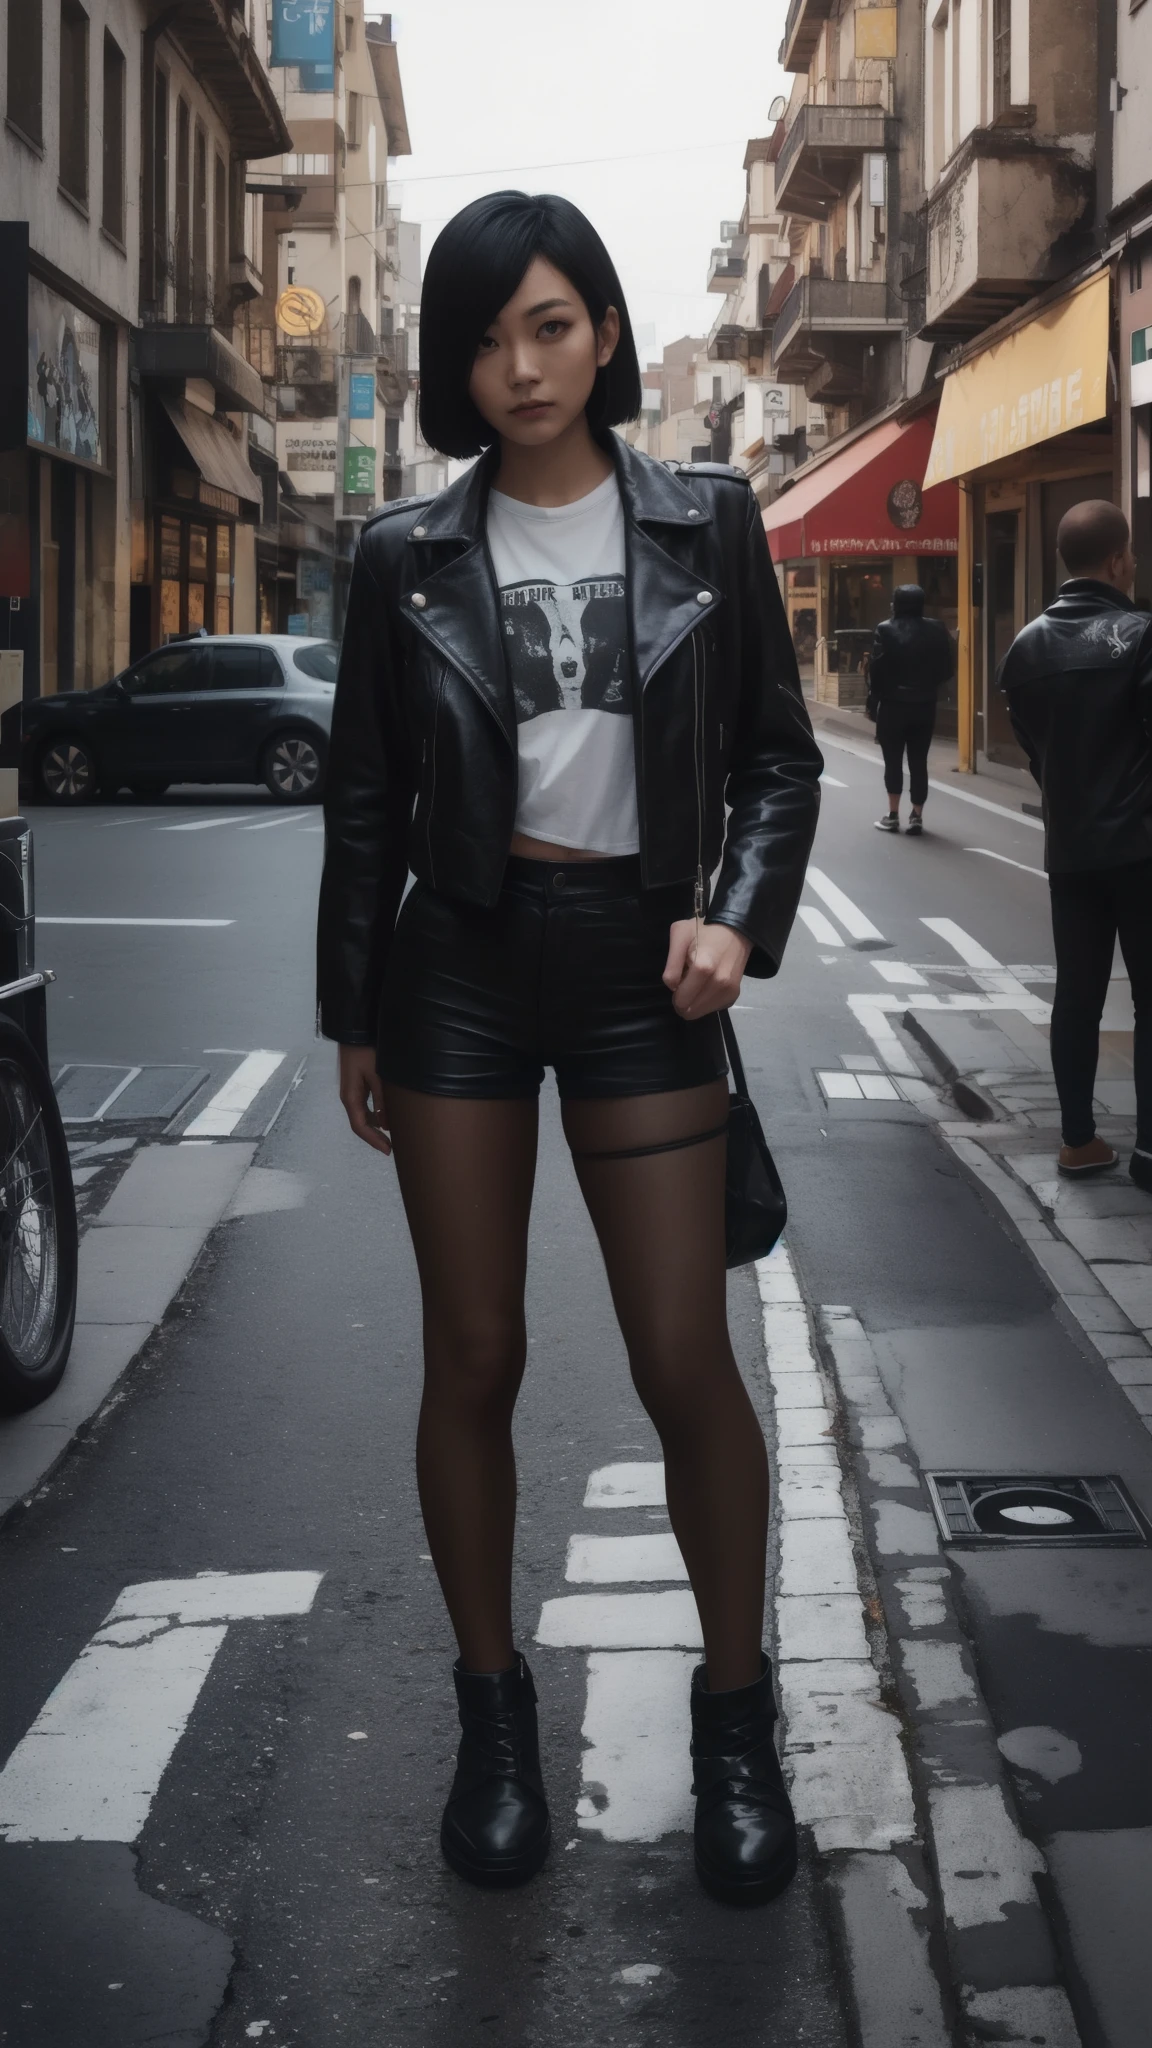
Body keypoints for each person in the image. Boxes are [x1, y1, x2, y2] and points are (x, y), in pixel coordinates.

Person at [317, 191, 822, 1903]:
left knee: (686, 1361)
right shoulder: (403, 552)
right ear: (454, 365)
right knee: (473, 1354)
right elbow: (367, 795)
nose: (517, 364)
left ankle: (736, 1715)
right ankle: (491, 1710)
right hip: (453, 962)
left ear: (603, 331)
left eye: (546, 324)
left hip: (642, 965)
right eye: (481, 335)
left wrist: (734, 912)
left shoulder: (708, 519)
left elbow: (774, 756)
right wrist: (350, 1009)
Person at [998, 499, 1152, 1187]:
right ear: (1119, 559)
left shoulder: (1026, 648)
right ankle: (1148, 1152)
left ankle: (1077, 1141)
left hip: (1071, 849)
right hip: (1143, 848)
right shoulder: (1141, 634)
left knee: (1078, 996)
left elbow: (1035, 748)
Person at [867, 584, 955, 834]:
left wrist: (874, 702)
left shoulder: (885, 629)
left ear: (896, 603)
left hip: (892, 706)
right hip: (924, 705)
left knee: (892, 761)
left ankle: (892, 814)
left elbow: (876, 670)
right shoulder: (936, 629)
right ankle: (917, 815)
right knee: (919, 761)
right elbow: (947, 668)